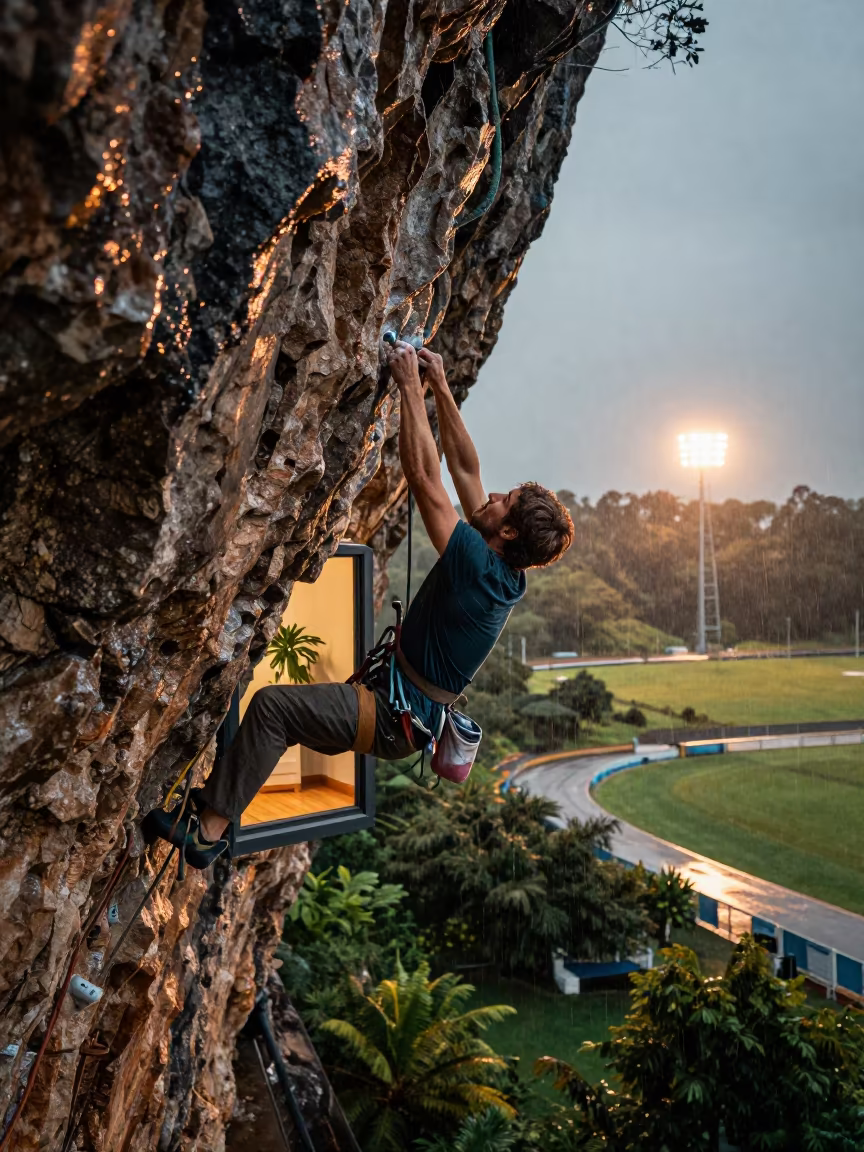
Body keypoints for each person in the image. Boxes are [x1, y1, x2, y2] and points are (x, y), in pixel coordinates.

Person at [145, 340, 573, 867]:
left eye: (503, 501)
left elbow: (427, 481)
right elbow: (464, 470)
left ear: (506, 531)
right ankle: (214, 811)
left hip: (393, 715)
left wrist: (409, 387)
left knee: (273, 709)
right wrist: (439, 384)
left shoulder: (479, 571)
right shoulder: (501, 565)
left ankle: (205, 834)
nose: (491, 496)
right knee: (284, 716)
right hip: (396, 702)